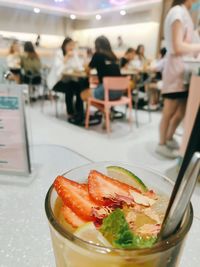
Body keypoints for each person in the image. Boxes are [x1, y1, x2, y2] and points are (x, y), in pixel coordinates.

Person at [156, 0, 200, 158]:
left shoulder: (185, 13)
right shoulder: (176, 12)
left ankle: (169, 137)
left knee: (181, 111)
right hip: (175, 70)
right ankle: (161, 143)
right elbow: (177, 45)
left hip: (185, 71)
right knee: (169, 110)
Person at [47, 37, 85, 119]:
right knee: (70, 88)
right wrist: (66, 58)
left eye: (73, 45)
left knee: (79, 86)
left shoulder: (73, 53)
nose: (71, 47)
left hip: (68, 79)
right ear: (64, 45)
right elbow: (58, 70)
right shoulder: (59, 53)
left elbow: (79, 66)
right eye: (69, 45)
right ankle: (70, 112)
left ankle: (79, 112)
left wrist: (80, 57)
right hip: (57, 81)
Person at [81, 35, 122, 101]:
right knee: (97, 88)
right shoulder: (113, 56)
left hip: (107, 90)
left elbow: (87, 70)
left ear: (96, 46)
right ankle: (106, 109)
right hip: (119, 92)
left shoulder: (97, 55)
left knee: (83, 94)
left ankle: (104, 109)